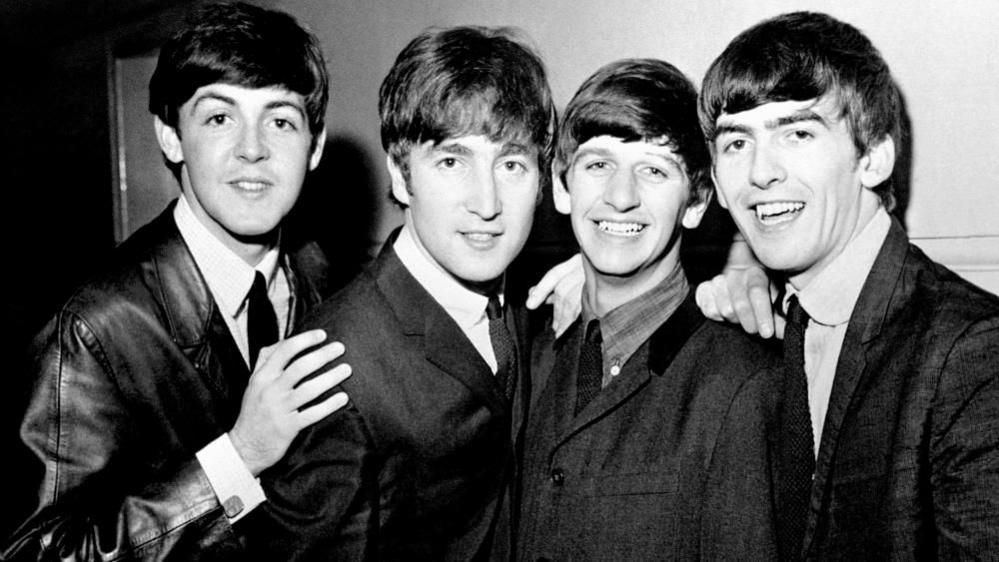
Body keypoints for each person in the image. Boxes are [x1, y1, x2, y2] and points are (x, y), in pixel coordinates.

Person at [2, 3, 353, 560]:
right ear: (170, 137)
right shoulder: (94, 328)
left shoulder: (331, 280)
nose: (253, 147)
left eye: (281, 119)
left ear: (314, 147)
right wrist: (236, 457)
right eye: (219, 118)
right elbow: (37, 552)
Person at [696, 11, 999, 559]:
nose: (762, 171)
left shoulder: (974, 351)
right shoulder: (754, 327)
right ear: (716, 182)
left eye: (798, 133)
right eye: (736, 143)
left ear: (874, 157)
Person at [249, 25, 555, 560]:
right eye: (452, 162)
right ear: (399, 173)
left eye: (511, 164)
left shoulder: (530, 301)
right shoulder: (335, 361)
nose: (486, 202)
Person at [515, 58, 781, 561]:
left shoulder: (742, 384)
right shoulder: (527, 352)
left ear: (697, 202)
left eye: (654, 170)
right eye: (598, 164)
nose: (620, 197)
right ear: (562, 187)